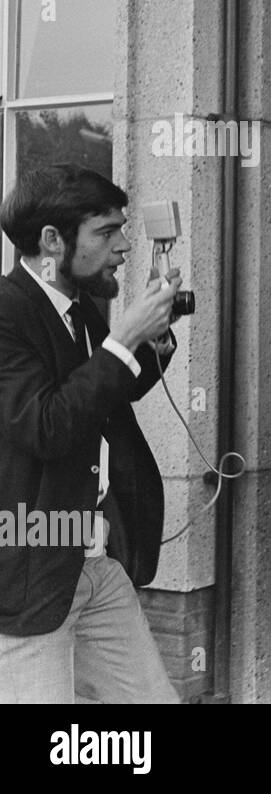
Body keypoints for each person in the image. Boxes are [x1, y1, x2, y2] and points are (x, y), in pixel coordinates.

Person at [0, 163, 182, 703]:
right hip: (31, 569)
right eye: (106, 232)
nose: (123, 246)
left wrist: (154, 337)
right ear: (52, 241)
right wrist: (123, 337)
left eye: (122, 229)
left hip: (92, 563)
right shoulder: (7, 313)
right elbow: (47, 427)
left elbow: (106, 393)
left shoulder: (77, 310)